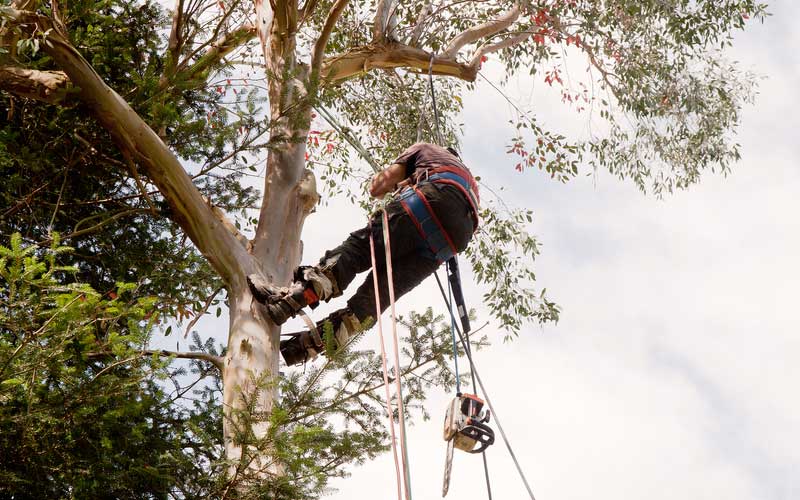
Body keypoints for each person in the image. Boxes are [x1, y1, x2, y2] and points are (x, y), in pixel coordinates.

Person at [248, 142, 480, 366]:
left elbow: (378, 187)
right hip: (449, 242)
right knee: (375, 297)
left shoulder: (425, 149)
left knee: (359, 250)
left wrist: (394, 183)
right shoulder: (470, 184)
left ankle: (292, 300)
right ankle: (304, 348)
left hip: (427, 203)